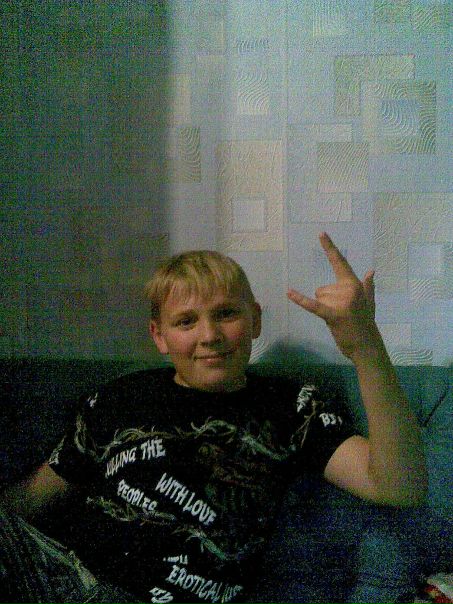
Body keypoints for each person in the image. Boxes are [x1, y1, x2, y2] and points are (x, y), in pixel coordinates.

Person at [0, 233, 427, 604]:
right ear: (159, 336)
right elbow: (32, 499)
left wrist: (365, 346)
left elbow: (398, 487)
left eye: (226, 314)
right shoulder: (119, 399)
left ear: (255, 320)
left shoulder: (291, 406)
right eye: (186, 321)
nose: (210, 336)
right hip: (71, 585)